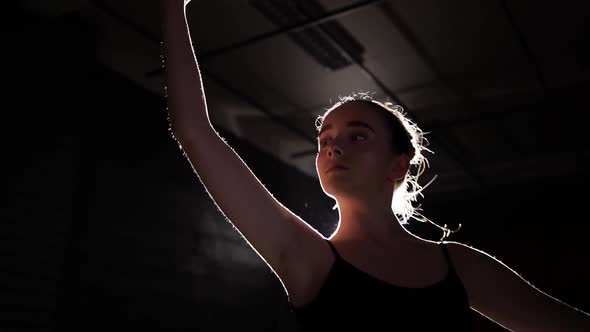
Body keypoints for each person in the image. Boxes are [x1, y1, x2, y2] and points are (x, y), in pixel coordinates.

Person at [159, 0, 590, 330]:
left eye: (357, 136)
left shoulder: (460, 266)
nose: (333, 148)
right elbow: (193, 130)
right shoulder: (310, 260)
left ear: (398, 166)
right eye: (325, 140)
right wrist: (173, 5)